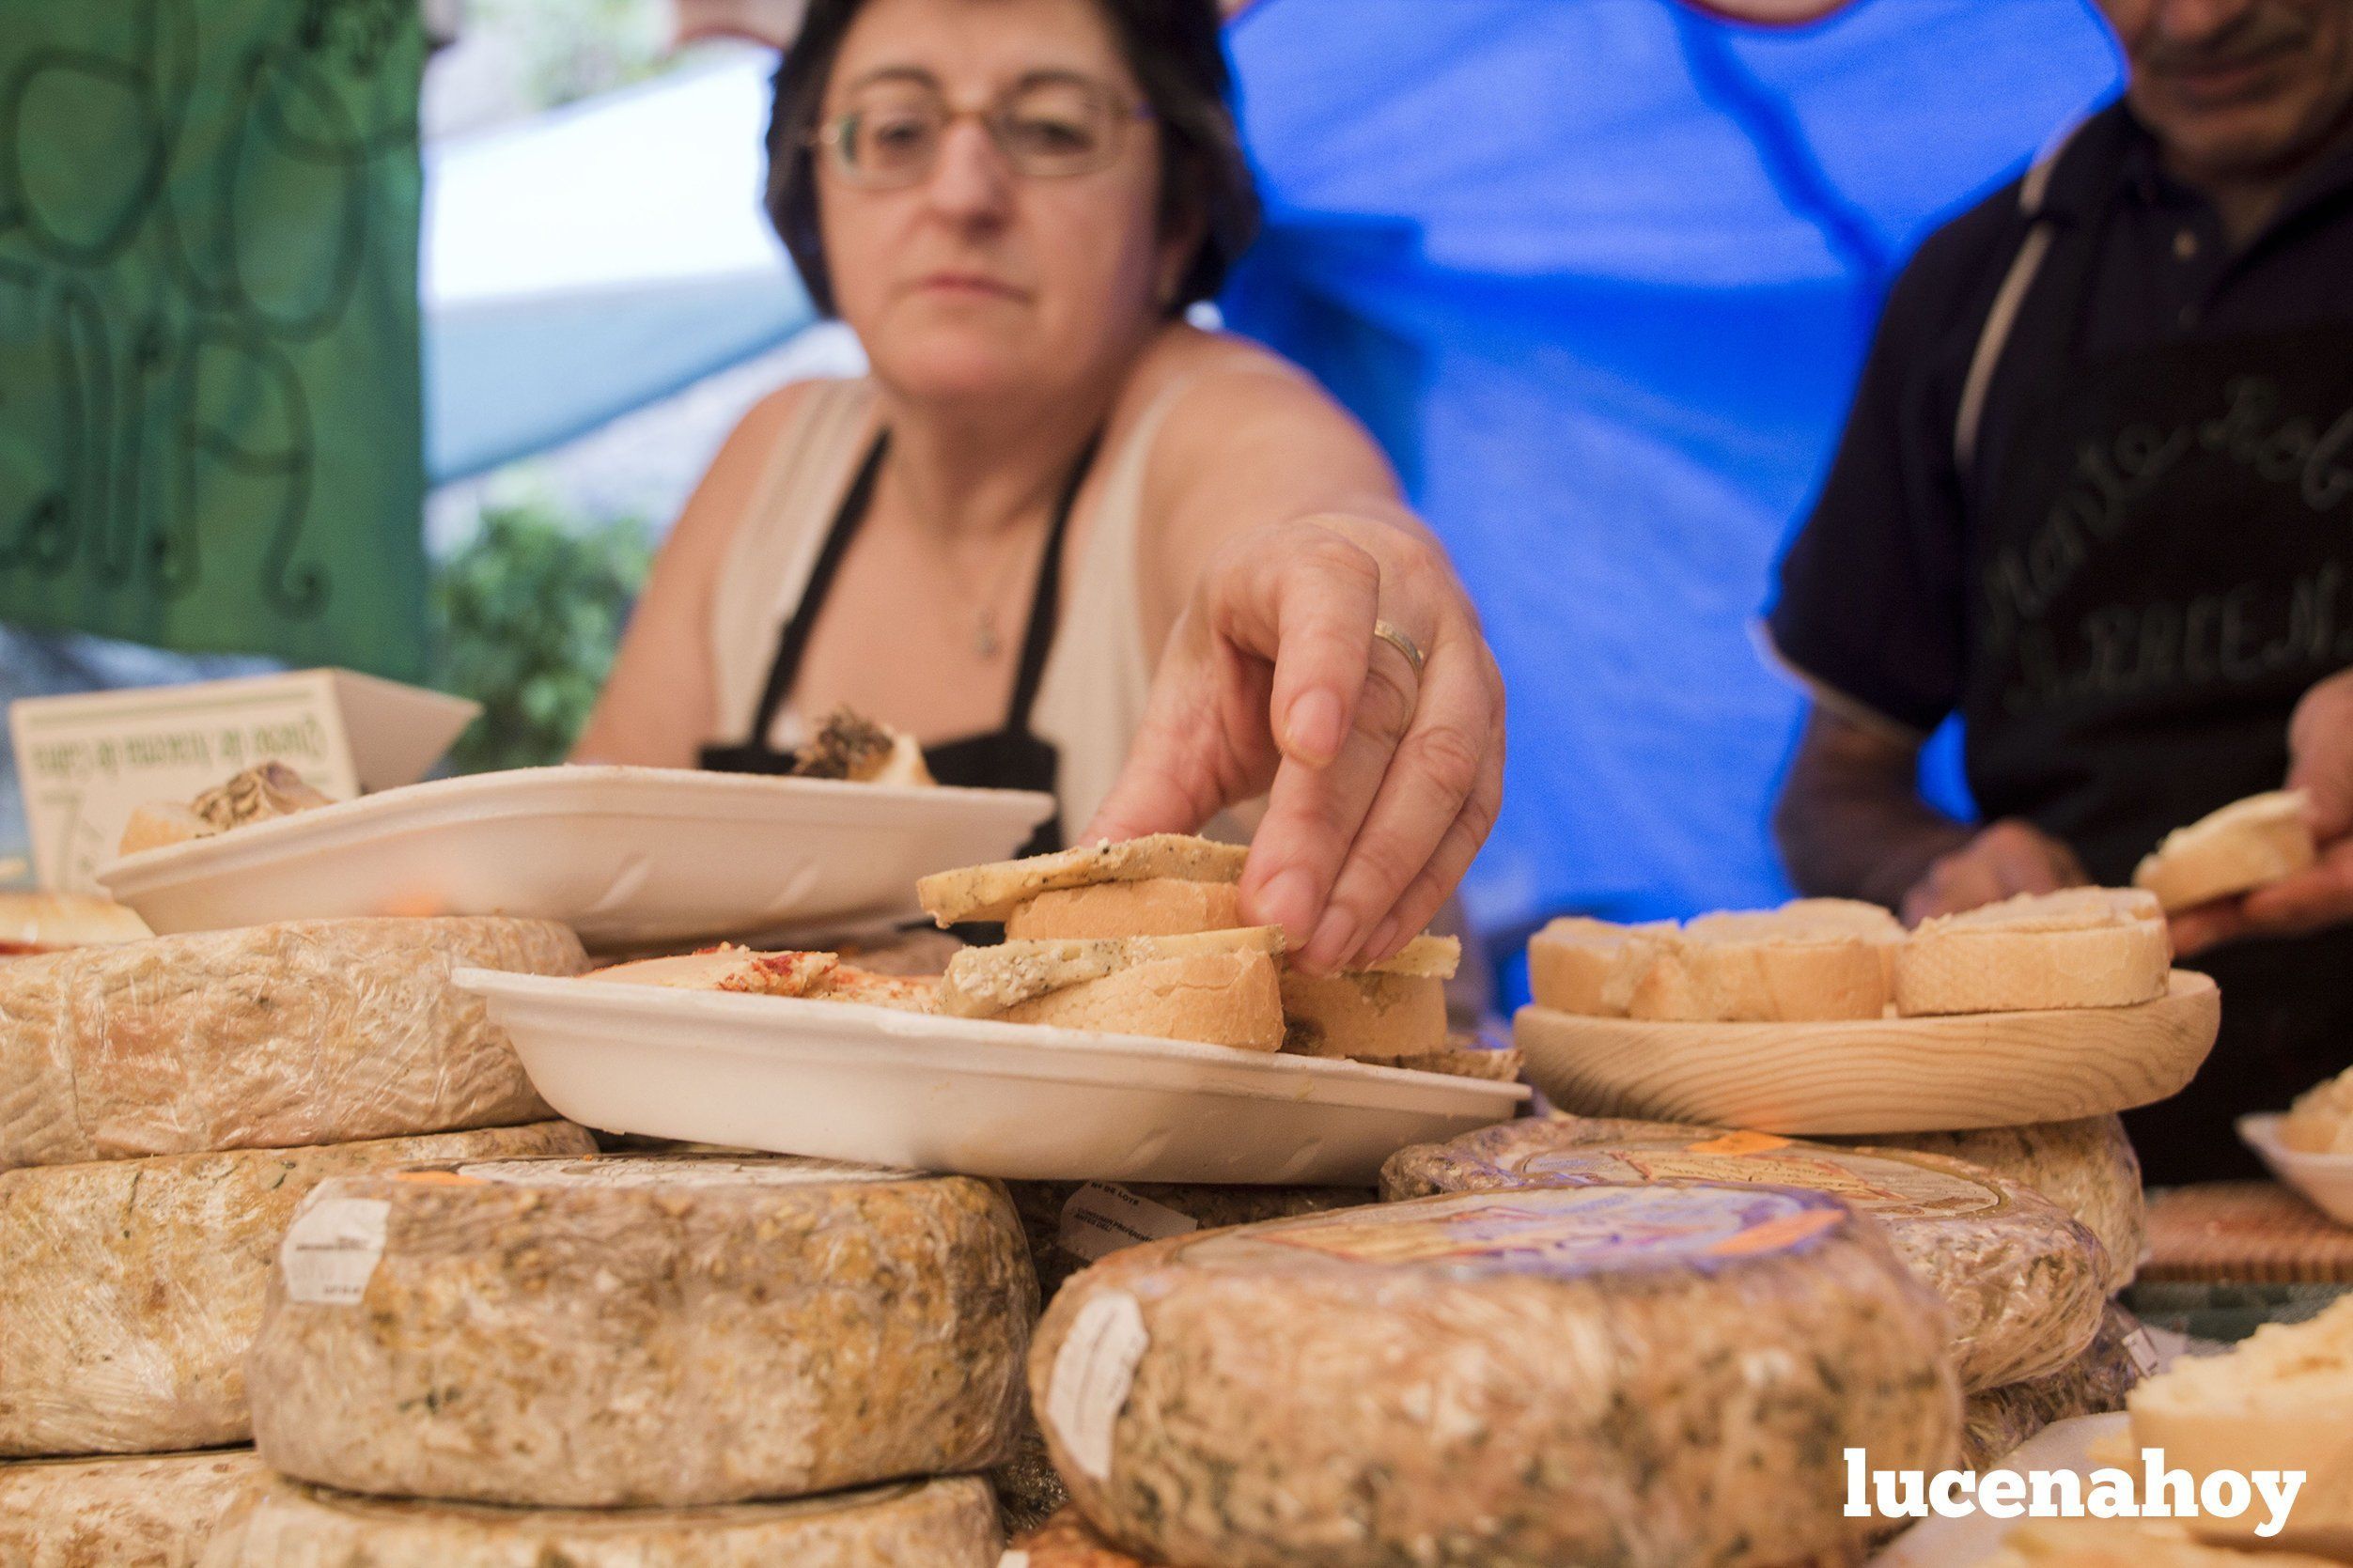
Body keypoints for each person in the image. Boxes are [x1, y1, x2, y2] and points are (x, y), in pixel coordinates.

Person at [575, 0, 1504, 976]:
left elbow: (1312, 521)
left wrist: (1356, 588)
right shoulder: (774, 455)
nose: (962, 192)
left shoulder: (1211, 417)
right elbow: (588, 865)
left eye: (1054, 130)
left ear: (1177, 212)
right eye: (895, 130)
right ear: (814, 190)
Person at [1765, 0, 2353, 1181]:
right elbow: (1829, 792)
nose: (2194, 20)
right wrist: (1939, 874)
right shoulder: (1981, 289)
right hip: (2093, 1165)